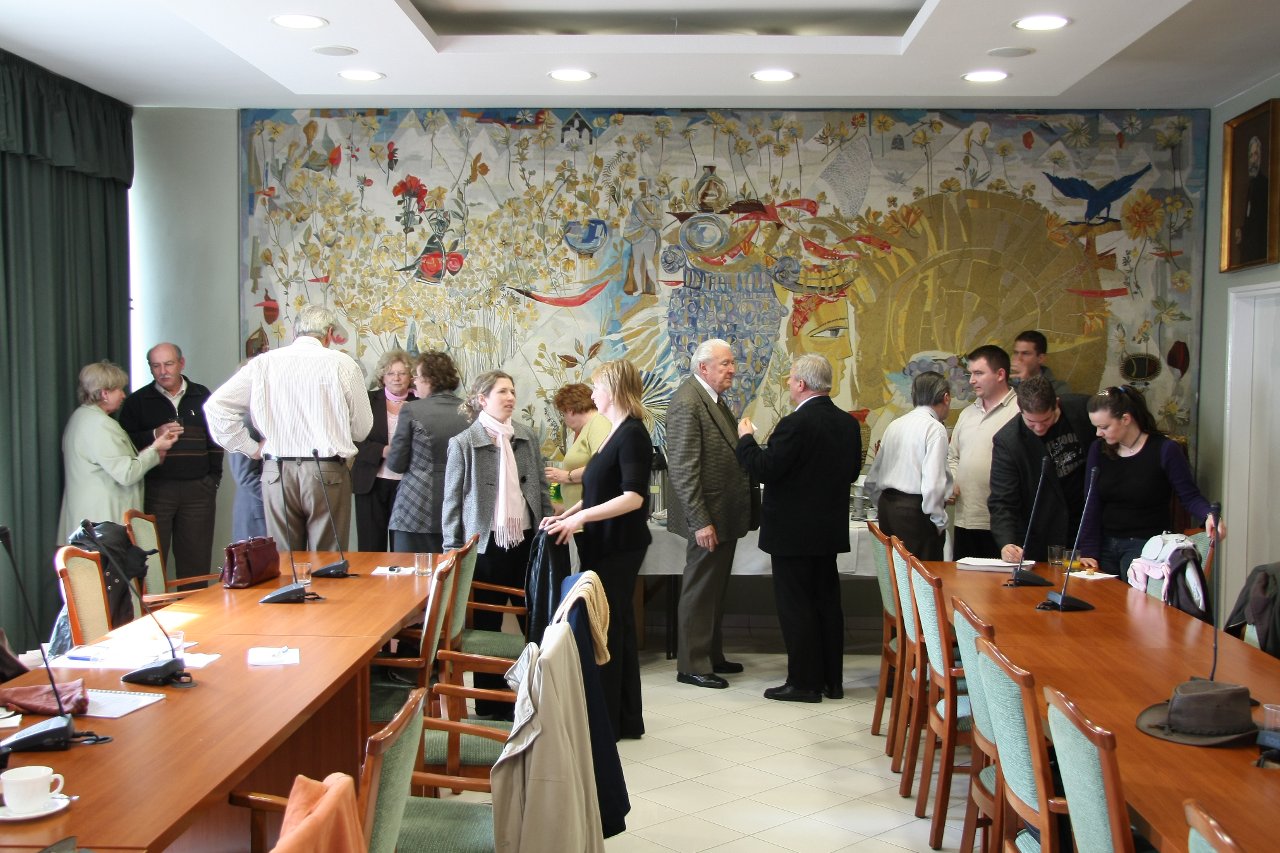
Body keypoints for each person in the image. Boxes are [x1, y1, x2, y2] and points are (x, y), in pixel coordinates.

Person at [736, 354, 861, 703]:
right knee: (827, 605)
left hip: (792, 534)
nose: (789, 384)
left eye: (791, 379)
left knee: (797, 608)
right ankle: (831, 681)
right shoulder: (848, 424)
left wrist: (746, 439)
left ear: (802, 384)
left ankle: (804, 683)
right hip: (827, 531)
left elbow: (764, 469)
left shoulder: (794, 424)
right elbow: (851, 473)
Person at [542, 359, 653, 738]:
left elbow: (633, 497)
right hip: (602, 544)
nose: (593, 395)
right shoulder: (613, 431)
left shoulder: (633, 433)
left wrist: (581, 518)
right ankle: (620, 717)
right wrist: (566, 516)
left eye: (598, 387)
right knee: (614, 627)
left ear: (615, 390)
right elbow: (596, 492)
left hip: (619, 546)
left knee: (608, 628)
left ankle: (610, 720)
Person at [205, 304, 373, 551]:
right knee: (328, 560)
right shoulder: (342, 364)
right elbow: (362, 429)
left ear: (295, 332)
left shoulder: (264, 363)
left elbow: (216, 407)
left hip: (276, 470)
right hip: (327, 470)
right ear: (328, 334)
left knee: (285, 560)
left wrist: (251, 448)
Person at [442, 370, 552, 714]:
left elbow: (541, 487)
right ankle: (489, 701)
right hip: (485, 546)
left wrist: (547, 527)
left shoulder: (526, 436)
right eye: (502, 391)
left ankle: (534, 695)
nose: (510, 397)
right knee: (485, 623)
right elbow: (452, 502)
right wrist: (452, 550)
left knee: (533, 618)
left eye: (512, 391)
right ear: (482, 399)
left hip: (526, 541)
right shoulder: (464, 442)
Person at [666, 338, 756, 689]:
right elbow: (683, 469)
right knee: (701, 591)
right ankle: (692, 664)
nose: (733, 369)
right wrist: (700, 520)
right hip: (708, 516)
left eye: (732, 362)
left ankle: (711, 655)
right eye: (725, 364)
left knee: (714, 591)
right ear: (703, 368)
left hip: (723, 514)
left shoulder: (711, 399)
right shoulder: (687, 402)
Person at [1079, 386, 1224, 575]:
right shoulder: (1098, 450)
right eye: (1096, 427)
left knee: (1133, 595)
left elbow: (1190, 496)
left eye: (1104, 427)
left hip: (1146, 547)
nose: (1098, 433)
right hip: (1105, 544)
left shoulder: (1165, 449)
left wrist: (1208, 514)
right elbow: (1091, 502)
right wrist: (1088, 549)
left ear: (1125, 419)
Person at [118, 343, 223, 583]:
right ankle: (158, 607)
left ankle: (197, 608)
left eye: (168, 364)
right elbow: (125, 443)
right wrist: (154, 434)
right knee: (152, 562)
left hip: (199, 490)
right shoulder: (137, 401)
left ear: (181, 364)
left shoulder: (202, 395)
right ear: (150, 368)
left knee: (196, 562)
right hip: (157, 489)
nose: (163, 371)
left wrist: (213, 479)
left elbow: (216, 440)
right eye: (156, 366)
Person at [57, 361, 180, 541]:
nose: (123, 395)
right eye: (119, 390)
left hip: (89, 523)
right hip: (102, 525)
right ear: (105, 393)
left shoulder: (80, 417)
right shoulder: (100, 425)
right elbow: (126, 474)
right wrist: (156, 448)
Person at [988, 376, 1095, 563]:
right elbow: (1002, 500)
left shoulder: (1083, 410)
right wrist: (1007, 543)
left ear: (1057, 404)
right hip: (1041, 532)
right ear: (1020, 410)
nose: (1039, 428)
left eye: (1046, 420)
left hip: (1085, 525)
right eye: (1031, 422)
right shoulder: (1008, 441)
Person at [386, 351, 470, 553]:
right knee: (454, 569)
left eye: (416, 376)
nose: (414, 382)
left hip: (415, 507)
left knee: (410, 570)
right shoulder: (471, 412)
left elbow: (396, 463)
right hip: (462, 506)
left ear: (429, 379)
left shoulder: (411, 410)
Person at [864, 371, 952, 561]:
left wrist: (882, 506)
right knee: (922, 575)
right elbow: (933, 484)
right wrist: (939, 521)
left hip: (888, 508)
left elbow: (872, 479)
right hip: (916, 513)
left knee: (896, 572)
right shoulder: (935, 428)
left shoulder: (894, 425)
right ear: (946, 398)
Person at [947, 345, 1019, 559]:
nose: (971, 380)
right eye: (970, 374)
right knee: (962, 579)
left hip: (1002, 524)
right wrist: (952, 481)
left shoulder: (1020, 411)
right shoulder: (967, 414)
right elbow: (953, 456)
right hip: (965, 519)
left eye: (978, 373)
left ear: (1000, 374)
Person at [352, 350, 416, 552]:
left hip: (408, 484)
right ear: (382, 377)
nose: (396, 378)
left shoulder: (421, 404)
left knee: (403, 549)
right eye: (390, 373)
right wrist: (383, 450)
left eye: (402, 373)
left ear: (410, 376)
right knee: (371, 547)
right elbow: (353, 439)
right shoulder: (367, 401)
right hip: (371, 482)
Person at [543, 383, 611, 511]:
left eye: (563, 414)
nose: (565, 421)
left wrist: (566, 476)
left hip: (591, 515)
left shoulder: (598, 423)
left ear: (570, 410)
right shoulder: (587, 428)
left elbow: (604, 466)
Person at [1010, 331, 1070, 396]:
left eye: (1025, 353)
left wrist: (1028, 383)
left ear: (1040, 358)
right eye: (1016, 353)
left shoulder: (1058, 388)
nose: (1018, 358)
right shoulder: (1006, 382)